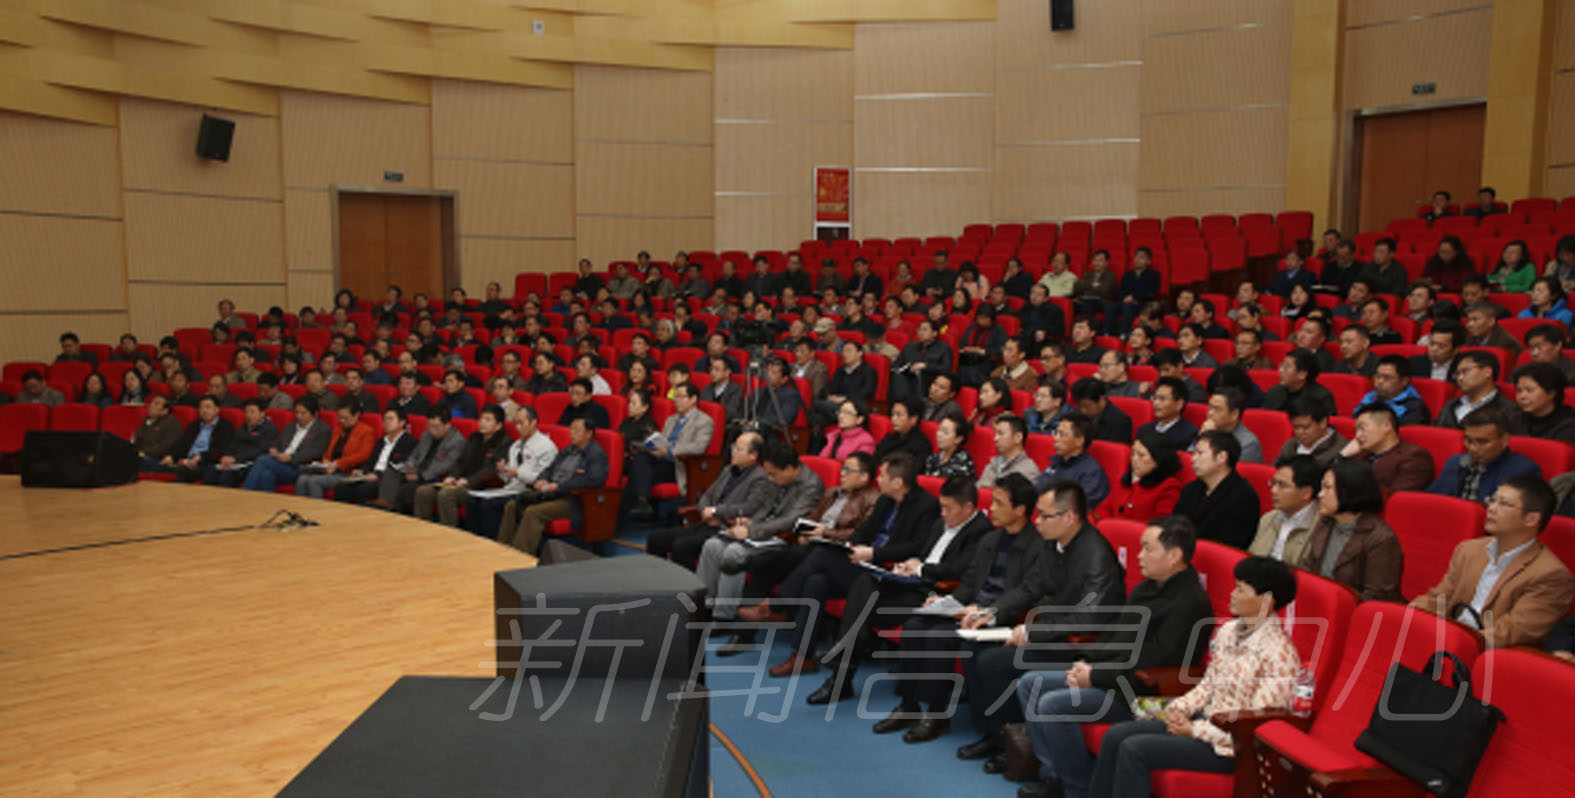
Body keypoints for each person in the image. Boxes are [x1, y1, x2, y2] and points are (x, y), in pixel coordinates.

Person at [1015, 515, 1213, 798]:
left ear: (1174, 556)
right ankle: (1054, 776)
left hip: (1142, 694)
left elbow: (1152, 662)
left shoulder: (1190, 603)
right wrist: (1086, 662)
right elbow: (1115, 634)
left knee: (1052, 705)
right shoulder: (1148, 587)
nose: (1139, 556)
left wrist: (1095, 675)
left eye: (1148, 549)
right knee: (1030, 684)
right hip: (1111, 677)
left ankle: (1077, 789)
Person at [1089, 556, 1300, 797]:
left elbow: (1256, 727)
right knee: (1116, 734)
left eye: (1241, 589)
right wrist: (1180, 709)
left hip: (1229, 747)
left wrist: (1195, 730)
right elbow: (1207, 685)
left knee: (1133, 748)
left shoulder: (1280, 655)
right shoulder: (1229, 631)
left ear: (1266, 601)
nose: (1232, 594)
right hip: (1201, 721)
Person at [954, 479, 1126, 760]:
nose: (1037, 522)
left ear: (1069, 517)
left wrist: (1032, 633)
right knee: (973, 647)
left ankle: (1013, 745)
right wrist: (992, 611)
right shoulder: (1054, 544)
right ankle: (993, 733)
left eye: (1045, 516)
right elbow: (1029, 587)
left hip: (1080, 645)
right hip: (1052, 632)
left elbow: (1089, 618)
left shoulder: (1096, 556)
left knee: (994, 662)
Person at [871, 473, 1040, 742]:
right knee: (915, 625)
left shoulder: (1037, 546)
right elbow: (970, 583)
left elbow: (1026, 593)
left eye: (998, 503)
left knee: (939, 636)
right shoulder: (991, 540)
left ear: (1020, 509)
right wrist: (946, 602)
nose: (991, 509)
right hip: (970, 610)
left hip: (998, 618)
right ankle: (908, 705)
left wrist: (983, 610)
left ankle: (936, 715)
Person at [798, 474, 991, 704]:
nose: (943, 513)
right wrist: (908, 565)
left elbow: (958, 570)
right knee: (865, 582)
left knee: (862, 609)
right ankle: (844, 668)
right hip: (911, 583)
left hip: (934, 593)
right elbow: (923, 554)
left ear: (968, 507)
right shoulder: (941, 523)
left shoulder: (982, 532)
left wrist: (920, 569)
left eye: (949, 508)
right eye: (942, 507)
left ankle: (841, 674)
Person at [1410, 476, 1575, 647]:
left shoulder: (1551, 575)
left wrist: (1455, 643)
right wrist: (1409, 616)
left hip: (1486, 652)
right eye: (1492, 500)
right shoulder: (1469, 550)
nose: (1491, 509)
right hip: (1448, 638)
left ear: (1531, 519)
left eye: (1504, 504)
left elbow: (1511, 632)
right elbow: (1439, 599)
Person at [644, 433, 771, 568]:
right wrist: (705, 511)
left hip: (727, 528)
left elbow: (749, 507)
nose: (733, 452)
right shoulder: (728, 470)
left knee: (682, 546)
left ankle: (690, 582)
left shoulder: (760, 478)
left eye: (739, 449)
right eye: (734, 447)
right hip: (707, 523)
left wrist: (716, 512)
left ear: (753, 455)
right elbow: (707, 495)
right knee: (656, 538)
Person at [495, 417, 610, 554]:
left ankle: (520, 556)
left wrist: (559, 486)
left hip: (575, 500)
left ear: (589, 433)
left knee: (533, 512)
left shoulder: (596, 455)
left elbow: (593, 481)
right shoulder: (567, 451)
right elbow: (549, 469)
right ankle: (501, 550)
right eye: (571, 429)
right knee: (512, 505)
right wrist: (542, 480)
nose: (572, 433)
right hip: (552, 494)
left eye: (577, 430)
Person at [1294, 460, 1405, 601]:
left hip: (1353, 609)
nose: (1320, 495)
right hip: (1320, 600)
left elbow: (1377, 596)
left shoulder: (1380, 538)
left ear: (1349, 490)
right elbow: (1309, 568)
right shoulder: (1326, 522)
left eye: (1327, 488)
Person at [463, 405, 558, 538]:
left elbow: (542, 478)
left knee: (488, 505)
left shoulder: (546, 446)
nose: (518, 427)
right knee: (472, 500)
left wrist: (518, 473)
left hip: (529, 492)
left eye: (521, 423)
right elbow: (508, 478)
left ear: (533, 422)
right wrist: (502, 471)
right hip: (511, 488)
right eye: (515, 423)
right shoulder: (516, 446)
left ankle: (492, 542)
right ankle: (472, 540)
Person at [409, 404, 513, 526]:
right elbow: (460, 461)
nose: (482, 423)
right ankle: (422, 528)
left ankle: (449, 532)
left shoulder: (504, 442)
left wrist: (468, 481)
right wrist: (452, 476)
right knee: (423, 492)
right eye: (481, 419)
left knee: (446, 495)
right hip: (460, 482)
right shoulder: (474, 437)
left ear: (498, 425)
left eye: (487, 420)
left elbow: (492, 469)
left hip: (479, 486)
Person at [625, 382, 714, 508]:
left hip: (679, 465)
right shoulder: (671, 419)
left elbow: (699, 447)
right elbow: (662, 440)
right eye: (676, 397)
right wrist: (653, 447)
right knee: (641, 458)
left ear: (693, 399)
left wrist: (670, 451)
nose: (676, 400)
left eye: (681, 397)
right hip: (661, 460)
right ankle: (642, 503)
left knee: (636, 473)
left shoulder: (704, 421)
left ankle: (639, 506)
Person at [1428, 407, 1542, 503]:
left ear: (1504, 440)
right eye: (1469, 441)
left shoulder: (1522, 470)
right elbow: (1432, 500)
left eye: (1482, 442)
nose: (1473, 448)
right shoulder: (1456, 462)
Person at [1174, 431, 1260, 548]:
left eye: (1200, 453)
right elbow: (1174, 527)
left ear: (1221, 457)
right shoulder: (1191, 489)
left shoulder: (1244, 497)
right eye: (1194, 453)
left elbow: (1229, 545)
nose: (1193, 459)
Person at [369, 406, 464, 511]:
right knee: (390, 472)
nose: (431, 430)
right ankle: (385, 503)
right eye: (429, 425)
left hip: (434, 477)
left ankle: (391, 509)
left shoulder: (456, 441)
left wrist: (420, 476)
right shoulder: (426, 435)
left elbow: (444, 466)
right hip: (417, 471)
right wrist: (409, 468)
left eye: (435, 426)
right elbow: (414, 456)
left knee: (406, 489)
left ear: (447, 425)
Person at [319, 408, 419, 504]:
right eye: (384, 419)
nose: (386, 422)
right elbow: (371, 462)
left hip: (387, 480)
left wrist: (378, 475)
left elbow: (400, 467)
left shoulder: (410, 442)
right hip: (370, 475)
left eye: (390, 419)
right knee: (341, 487)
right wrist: (361, 471)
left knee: (364, 490)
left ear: (402, 422)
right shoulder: (381, 441)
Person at [241, 398, 333, 492]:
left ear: (315, 414)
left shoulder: (322, 430)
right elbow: (276, 443)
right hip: (280, 463)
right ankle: (264, 501)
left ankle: (245, 492)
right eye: (296, 412)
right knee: (267, 475)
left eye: (303, 413)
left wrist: (290, 457)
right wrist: (274, 449)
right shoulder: (290, 426)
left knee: (262, 459)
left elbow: (316, 452)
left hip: (299, 467)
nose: (299, 416)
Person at [1340, 403, 1434, 494]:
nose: (1358, 435)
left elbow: (1395, 498)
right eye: (1356, 430)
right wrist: (1342, 457)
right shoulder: (1362, 456)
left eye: (1362, 428)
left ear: (1387, 425)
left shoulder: (1414, 457)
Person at [1248, 455, 1323, 564]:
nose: (1273, 490)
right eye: (1273, 483)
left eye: (1282, 485)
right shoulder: (1268, 519)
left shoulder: (1321, 528)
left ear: (1306, 493)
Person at [1102, 428, 1186, 522]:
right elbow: (1104, 508)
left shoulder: (1168, 486)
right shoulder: (1127, 479)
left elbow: (1161, 524)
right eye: (1133, 453)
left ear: (1158, 459)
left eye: (1141, 455)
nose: (1134, 459)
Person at [1034, 411, 1109, 506]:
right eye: (1056, 433)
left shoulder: (1091, 473)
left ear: (1079, 441)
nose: (1056, 438)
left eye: (1062, 434)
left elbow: (1078, 506)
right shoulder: (1055, 463)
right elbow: (1037, 491)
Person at [153, 396, 236, 482]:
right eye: (201, 408)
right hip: (186, 461)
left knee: (181, 472)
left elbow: (221, 449)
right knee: (158, 468)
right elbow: (181, 444)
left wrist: (201, 456)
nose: (204, 410)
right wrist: (171, 456)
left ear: (217, 409)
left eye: (208, 407)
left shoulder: (225, 427)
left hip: (206, 464)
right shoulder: (194, 425)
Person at [201, 398, 278, 486]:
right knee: (210, 474)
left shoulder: (269, 429)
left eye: (252, 412)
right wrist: (226, 457)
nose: (248, 415)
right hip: (235, 462)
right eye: (246, 412)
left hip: (251, 463)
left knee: (226, 476)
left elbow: (261, 450)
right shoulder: (242, 428)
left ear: (262, 414)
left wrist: (236, 459)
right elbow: (232, 445)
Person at [1436, 350, 1515, 428]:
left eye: (1465, 371)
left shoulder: (1508, 410)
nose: (1460, 378)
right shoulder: (1450, 405)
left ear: (1487, 372)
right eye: (1457, 374)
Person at [816, 343, 879, 434]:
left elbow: (867, 392)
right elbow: (828, 388)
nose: (845, 354)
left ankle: (838, 413)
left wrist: (845, 399)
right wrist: (829, 396)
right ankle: (836, 415)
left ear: (860, 353)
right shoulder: (840, 370)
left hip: (852, 406)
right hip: (833, 405)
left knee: (814, 405)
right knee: (817, 419)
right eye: (843, 351)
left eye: (849, 351)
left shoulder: (869, 371)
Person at [1507, 362, 1575, 443]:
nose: (1522, 396)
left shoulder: (1569, 426)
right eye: (1519, 390)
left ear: (1551, 393)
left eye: (1529, 390)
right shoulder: (1515, 419)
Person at [1352, 355, 1429, 426]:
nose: (1380, 381)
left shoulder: (1414, 407)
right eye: (1378, 376)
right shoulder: (1370, 398)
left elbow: (1406, 433)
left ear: (1404, 381)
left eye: (1387, 377)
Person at [1261, 349, 1336, 418]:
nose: (1280, 370)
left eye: (1286, 367)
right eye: (1281, 365)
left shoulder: (1321, 397)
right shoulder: (1275, 391)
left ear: (1302, 374)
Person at [1274, 398, 1347, 468]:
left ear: (1323, 423)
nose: (1299, 432)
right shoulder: (1290, 446)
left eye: (1305, 427)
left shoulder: (1341, 450)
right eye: (1296, 427)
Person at [1138, 377, 1197, 452]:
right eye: (1154, 398)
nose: (1156, 403)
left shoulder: (1189, 434)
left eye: (1162, 399)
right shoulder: (1144, 430)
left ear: (1179, 404)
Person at [979, 415, 1039, 489]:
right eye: (995, 434)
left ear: (1018, 437)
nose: (995, 439)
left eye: (1001, 433)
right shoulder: (993, 463)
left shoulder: (1028, 470)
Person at [873, 397, 932, 463]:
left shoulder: (921, 445)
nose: (893, 419)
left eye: (899, 415)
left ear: (913, 419)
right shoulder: (888, 438)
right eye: (892, 414)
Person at [924, 412, 977, 479]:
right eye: (939, 429)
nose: (939, 434)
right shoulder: (932, 459)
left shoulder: (962, 462)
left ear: (958, 439)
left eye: (945, 432)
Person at [1410, 318, 1461, 383]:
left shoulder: (1462, 366)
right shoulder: (1415, 363)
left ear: (1455, 350)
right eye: (1432, 344)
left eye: (1441, 346)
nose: (1434, 349)